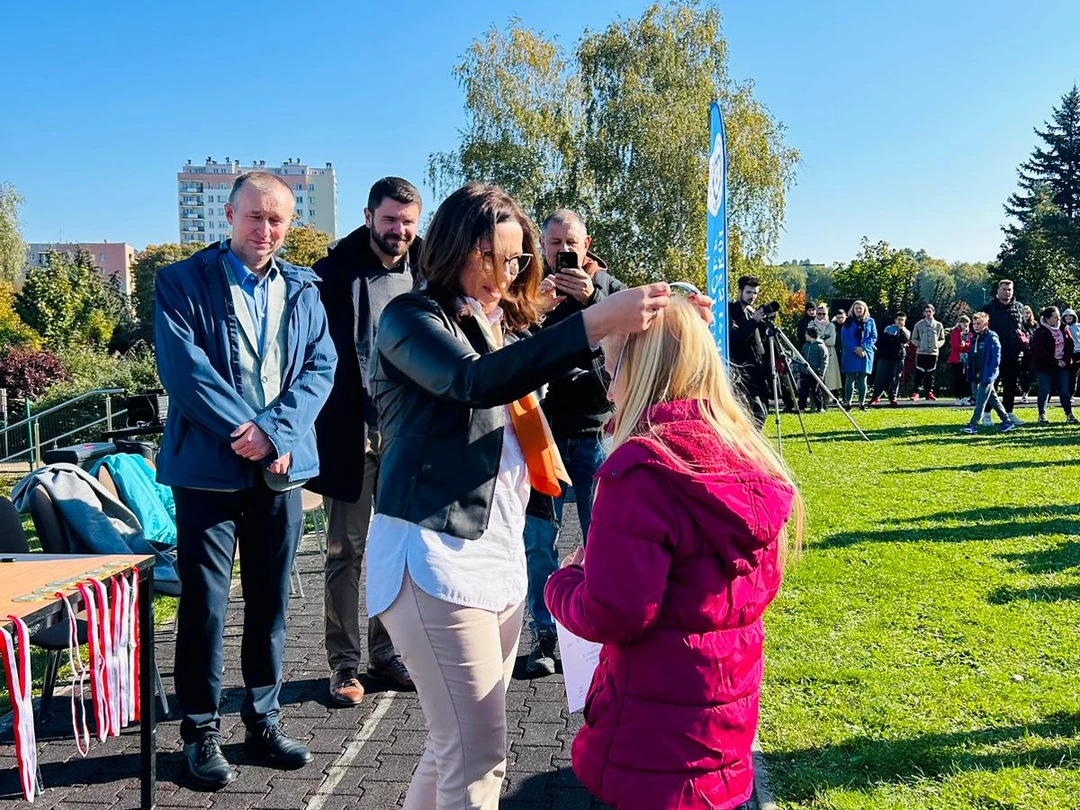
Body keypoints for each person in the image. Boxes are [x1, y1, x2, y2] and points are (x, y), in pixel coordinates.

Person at [364, 182, 671, 810]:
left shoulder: (499, 322)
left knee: (456, 752)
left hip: (494, 550)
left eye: (514, 260)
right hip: (431, 552)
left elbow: (550, 364)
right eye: (492, 258)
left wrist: (618, 313)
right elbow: (473, 382)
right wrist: (593, 323)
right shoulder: (408, 317)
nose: (506, 274)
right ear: (454, 249)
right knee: (476, 758)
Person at [544, 294, 803, 810]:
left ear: (637, 369)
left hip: (653, 728)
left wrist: (563, 584)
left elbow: (615, 612)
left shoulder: (641, 470)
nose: (608, 386)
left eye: (610, 367)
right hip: (723, 713)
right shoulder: (749, 457)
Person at [154, 172, 337, 788]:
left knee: (270, 601)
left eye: (277, 220)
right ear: (228, 216)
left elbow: (321, 365)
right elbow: (186, 371)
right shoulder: (181, 281)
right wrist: (252, 435)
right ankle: (200, 731)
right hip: (208, 473)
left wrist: (277, 434)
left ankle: (262, 717)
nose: (266, 230)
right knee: (204, 606)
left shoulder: (306, 287)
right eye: (255, 217)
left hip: (280, 472)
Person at [308, 177, 423, 706]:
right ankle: (342, 664)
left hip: (406, 433)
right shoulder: (331, 275)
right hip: (352, 434)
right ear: (369, 215)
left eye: (407, 222)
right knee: (345, 551)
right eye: (389, 220)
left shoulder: (428, 274)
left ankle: (386, 653)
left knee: (393, 551)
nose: (398, 231)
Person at [521, 208, 626, 677]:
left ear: (587, 245)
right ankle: (544, 634)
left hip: (597, 433)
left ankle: (597, 634)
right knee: (539, 540)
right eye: (554, 243)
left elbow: (629, 347)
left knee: (602, 538)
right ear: (542, 247)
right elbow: (512, 350)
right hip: (541, 435)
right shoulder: (529, 292)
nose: (564, 250)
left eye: (572, 242)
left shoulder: (610, 291)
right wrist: (534, 311)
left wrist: (589, 307)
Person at [980, 280, 1027, 425]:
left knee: (1010, 385)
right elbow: (980, 330)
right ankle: (986, 414)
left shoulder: (1019, 307)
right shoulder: (988, 308)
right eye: (1005, 289)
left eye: (1010, 289)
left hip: (1013, 353)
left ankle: (1009, 413)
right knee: (990, 384)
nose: (1007, 292)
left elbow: (1023, 328)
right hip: (993, 354)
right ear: (998, 290)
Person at [962, 312, 1016, 434]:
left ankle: (973, 424)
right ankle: (1006, 421)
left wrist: (990, 375)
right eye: (974, 324)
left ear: (986, 324)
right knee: (993, 399)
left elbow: (996, 358)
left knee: (980, 401)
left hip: (987, 374)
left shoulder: (991, 338)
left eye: (979, 324)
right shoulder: (975, 338)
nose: (976, 326)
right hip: (976, 373)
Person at [728, 276, 769, 426]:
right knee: (754, 414)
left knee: (762, 411)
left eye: (755, 293)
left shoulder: (751, 311)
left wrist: (764, 324)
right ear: (740, 291)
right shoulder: (730, 310)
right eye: (749, 292)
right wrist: (753, 322)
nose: (752, 296)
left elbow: (760, 342)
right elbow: (735, 338)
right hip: (739, 371)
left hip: (756, 371)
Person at [1031, 306, 1078, 425]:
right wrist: (1055, 362)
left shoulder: (1064, 328)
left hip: (1062, 365)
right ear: (1047, 319)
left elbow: (1070, 345)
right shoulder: (1040, 332)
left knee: (1063, 390)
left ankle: (1069, 414)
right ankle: (1042, 415)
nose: (1058, 319)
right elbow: (1040, 351)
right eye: (1055, 317)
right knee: (1045, 390)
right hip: (1044, 366)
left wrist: (1065, 360)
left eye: (1058, 317)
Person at [841, 300, 877, 410]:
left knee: (863, 380)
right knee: (850, 379)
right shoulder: (848, 322)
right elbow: (845, 337)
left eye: (860, 308)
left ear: (865, 309)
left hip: (865, 353)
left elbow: (873, 336)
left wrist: (863, 347)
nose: (858, 310)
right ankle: (848, 403)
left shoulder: (870, 321)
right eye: (856, 308)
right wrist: (855, 349)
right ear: (853, 309)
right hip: (851, 353)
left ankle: (862, 403)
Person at [869, 313, 909, 407]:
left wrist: (900, 333)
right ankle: (876, 397)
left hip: (898, 358)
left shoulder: (906, 331)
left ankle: (893, 398)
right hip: (885, 357)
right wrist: (897, 340)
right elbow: (886, 339)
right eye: (898, 319)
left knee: (895, 378)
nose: (900, 321)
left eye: (902, 320)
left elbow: (904, 339)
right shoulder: (888, 328)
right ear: (895, 320)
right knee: (880, 377)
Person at [910, 304, 946, 401]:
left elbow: (942, 339)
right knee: (919, 372)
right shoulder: (918, 325)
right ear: (923, 313)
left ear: (933, 312)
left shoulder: (939, 325)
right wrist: (920, 344)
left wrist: (937, 345)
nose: (928, 313)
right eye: (926, 311)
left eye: (930, 311)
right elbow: (913, 338)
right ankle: (916, 392)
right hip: (921, 352)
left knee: (931, 373)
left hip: (933, 353)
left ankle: (929, 392)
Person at [797, 324, 829, 412]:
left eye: (806, 334)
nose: (805, 335)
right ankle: (801, 407)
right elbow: (801, 358)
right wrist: (800, 370)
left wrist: (821, 373)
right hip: (805, 372)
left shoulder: (820, 347)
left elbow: (824, 361)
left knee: (816, 391)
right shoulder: (805, 346)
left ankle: (820, 407)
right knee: (803, 391)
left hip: (815, 373)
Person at [948, 315, 973, 405]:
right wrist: (963, 347)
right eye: (963, 322)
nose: (965, 324)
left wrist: (965, 345)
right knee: (958, 378)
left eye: (966, 322)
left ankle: (966, 397)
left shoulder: (970, 333)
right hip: (957, 359)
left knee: (966, 378)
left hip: (967, 359)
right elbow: (955, 346)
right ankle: (958, 397)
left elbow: (971, 345)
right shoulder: (955, 332)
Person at [1018, 305, 1038, 404]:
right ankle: (1024, 392)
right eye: (1024, 313)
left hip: (1033, 353)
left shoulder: (1034, 325)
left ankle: (1026, 393)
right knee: (1022, 374)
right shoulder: (1019, 325)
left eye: (1028, 313)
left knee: (1030, 374)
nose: (1026, 315)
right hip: (1022, 353)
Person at [824, 308, 845, 396]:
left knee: (844, 375)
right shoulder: (832, 326)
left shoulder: (847, 326)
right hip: (835, 352)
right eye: (838, 317)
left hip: (844, 352)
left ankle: (844, 395)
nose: (840, 319)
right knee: (835, 374)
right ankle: (835, 394)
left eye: (842, 317)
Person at [1064, 308, 1080, 397]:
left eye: (1070, 316)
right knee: (1065, 374)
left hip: (1077, 352)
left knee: (1074, 375)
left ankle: (1071, 394)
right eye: (1067, 316)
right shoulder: (1061, 327)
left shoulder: (1078, 326)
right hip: (1066, 353)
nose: (1069, 317)